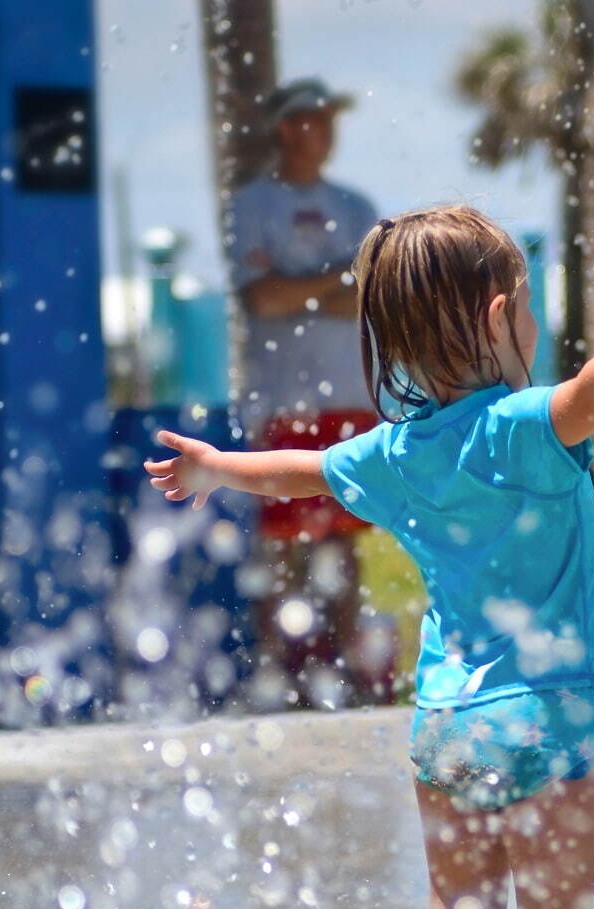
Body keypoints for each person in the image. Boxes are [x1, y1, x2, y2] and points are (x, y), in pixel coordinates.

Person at [145, 204, 594, 909]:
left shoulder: (394, 452)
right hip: (540, 721)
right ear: (498, 316)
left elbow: (301, 473)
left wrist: (214, 466)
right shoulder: (520, 428)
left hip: (443, 727)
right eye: (524, 303)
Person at [227, 78, 380, 705]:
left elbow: (368, 297)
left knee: (342, 542)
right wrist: (330, 285)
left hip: (348, 396)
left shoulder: (356, 203)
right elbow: (261, 297)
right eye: (313, 119)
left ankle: (344, 671)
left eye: (329, 118)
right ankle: (281, 678)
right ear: (285, 128)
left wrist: (302, 289)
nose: (325, 130)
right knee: (283, 542)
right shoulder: (254, 204)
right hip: (283, 400)